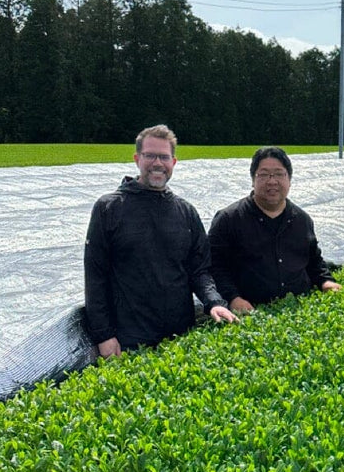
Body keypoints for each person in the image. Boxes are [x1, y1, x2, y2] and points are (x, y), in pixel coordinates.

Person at [84, 124, 236, 357]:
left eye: (164, 157)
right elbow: (96, 276)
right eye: (150, 155)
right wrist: (104, 335)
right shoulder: (109, 208)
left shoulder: (185, 212)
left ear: (173, 162)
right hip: (130, 340)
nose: (157, 163)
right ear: (137, 159)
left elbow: (200, 270)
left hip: (181, 336)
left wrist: (214, 302)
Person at [209, 146, 340, 314]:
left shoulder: (302, 219)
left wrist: (325, 281)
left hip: (299, 310)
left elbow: (314, 261)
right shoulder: (229, 219)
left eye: (279, 174)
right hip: (251, 312)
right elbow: (214, 267)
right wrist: (233, 298)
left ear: (289, 180)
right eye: (264, 174)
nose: (272, 181)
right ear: (253, 180)